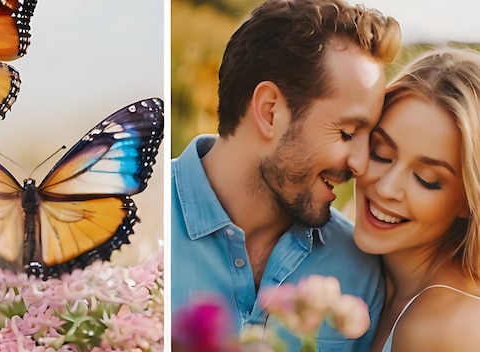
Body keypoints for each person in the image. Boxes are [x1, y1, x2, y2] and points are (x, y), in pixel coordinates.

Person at [171, 0, 401, 350]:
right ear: (270, 111)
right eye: (348, 133)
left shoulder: (359, 270)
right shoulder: (146, 225)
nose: (361, 164)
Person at [353, 47, 480, 352]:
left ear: (467, 202)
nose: (386, 188)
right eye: (380, 153)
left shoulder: (448, 329)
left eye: (427, 179)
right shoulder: (358, 273)